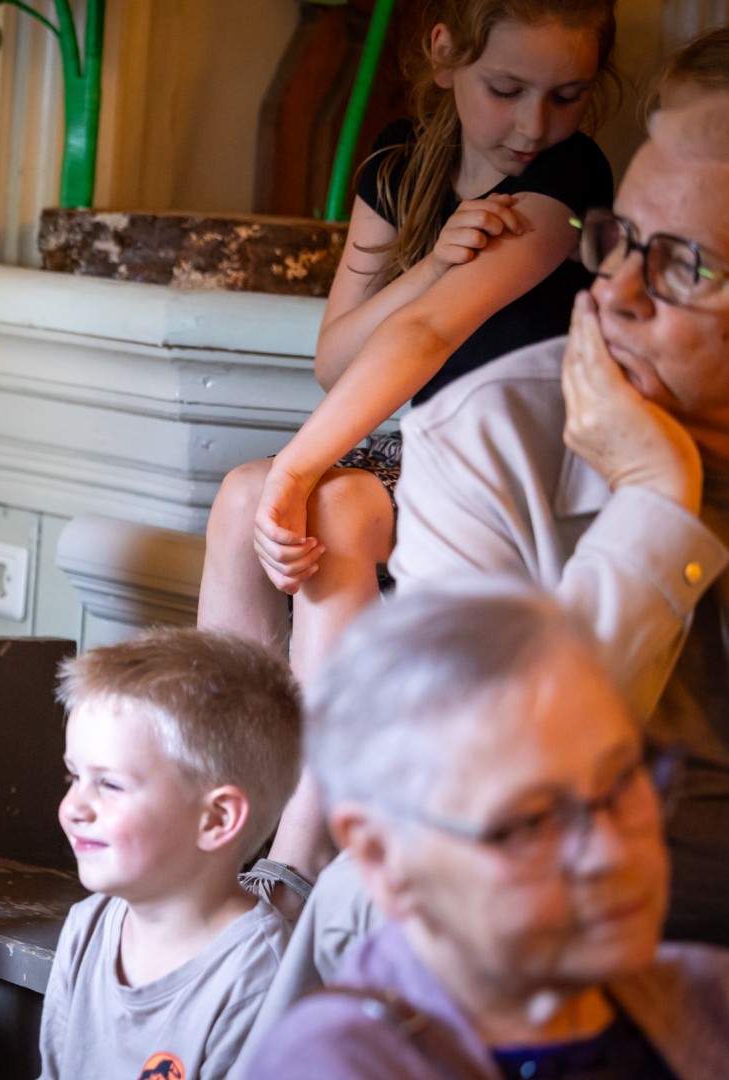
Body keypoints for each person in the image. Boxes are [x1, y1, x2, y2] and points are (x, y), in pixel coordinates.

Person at [199, 0, 616, 884]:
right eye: (506, 89)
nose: (533, 124)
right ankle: (213, 826)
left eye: (567, 95)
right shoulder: (396, 167)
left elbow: (430, 333)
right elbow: (335, 357)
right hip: (424, 450)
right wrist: (431, 262)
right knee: (242, 496)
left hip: (524, 464)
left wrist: (302, 467)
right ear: (444, 55)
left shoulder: (569, 178)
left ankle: (305, 852)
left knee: (339, 506)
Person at [389, 88, 729, 947]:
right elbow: (476, 797)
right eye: (621, 241)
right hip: (543, 968)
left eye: (686, 267)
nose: (614, 294)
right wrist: (653, 502)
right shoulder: (487, 433)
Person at [243, 589, 729, 1080]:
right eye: (533, 821)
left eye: (623, 780)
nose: (612, 853)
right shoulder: (332, 1066)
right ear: (382, 857)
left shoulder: (709, 990)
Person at [37, 627, 302, 1080]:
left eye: (109, 784)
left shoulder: (260, 980)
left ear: (216, 819)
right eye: (74, 777)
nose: (73, 807)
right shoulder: (87, 928)